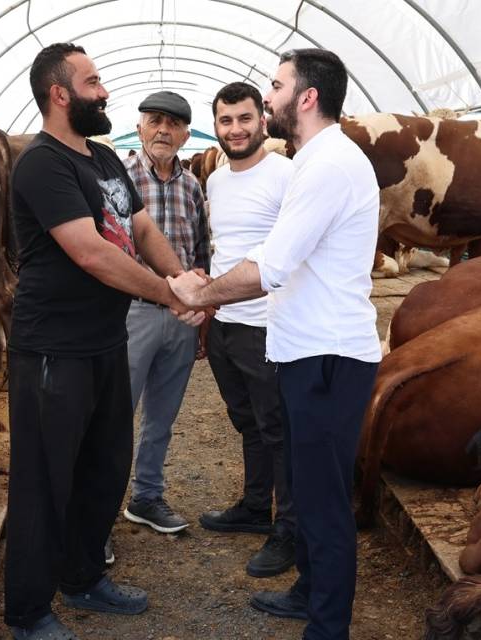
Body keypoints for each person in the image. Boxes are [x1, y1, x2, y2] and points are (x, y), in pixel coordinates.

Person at [168, 49, 381, 640]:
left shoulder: (327, 165)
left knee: (324, 498)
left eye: (277, 86)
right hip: (306, 350)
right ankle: (310, 591)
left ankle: (327, 626)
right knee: (310, 487)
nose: (269, 97)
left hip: (328, 356)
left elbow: (272, 266)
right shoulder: (318, 159)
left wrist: (201, 295)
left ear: (306, 97)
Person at [4, 42, 204, 640]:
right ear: (60, 94)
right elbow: (92, 252)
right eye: (94, 82)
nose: (106, 91)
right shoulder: (42, 164)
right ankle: (28, 611)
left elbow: (141, 228)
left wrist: (181, 279)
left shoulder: (103, 159)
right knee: (44, 479)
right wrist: (171, 297)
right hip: (50, 350)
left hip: (102, 342)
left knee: (104, 464)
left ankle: (85, 577)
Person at [198, 81, 299, 578]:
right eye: (225, 120)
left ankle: (289, 529)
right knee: (249, 423)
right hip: (227, 324)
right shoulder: (216, 179)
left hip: (268, 327)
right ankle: (256, 507)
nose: (235, 129)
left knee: (278, 430)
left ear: (263, 120)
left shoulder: (287, 175)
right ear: (215, 126)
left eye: (244, 118)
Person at [119, 91, 211, 535]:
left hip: (181, 319)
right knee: (115, 415)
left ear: (185, 135)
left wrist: (201, 311)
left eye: (173, 124)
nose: (163, 130)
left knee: (162, 417)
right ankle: (98, 516)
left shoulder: (192, 185)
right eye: (154, 120)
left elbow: (199, 252)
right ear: (138, 128)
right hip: (132, 313)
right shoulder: (118, 179)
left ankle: (147, 496)